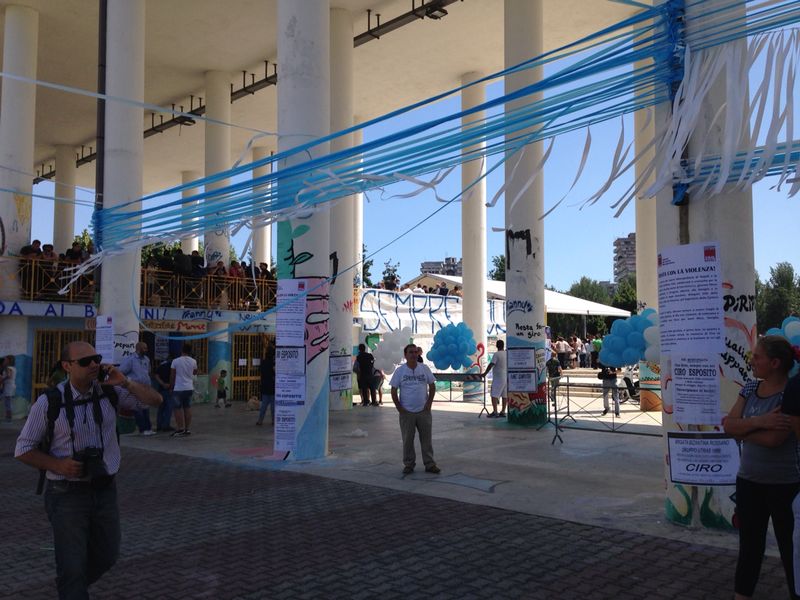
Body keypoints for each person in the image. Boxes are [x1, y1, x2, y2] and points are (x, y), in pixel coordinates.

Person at [14, 341, 161, 599]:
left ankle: (71, 587)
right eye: (85, 361)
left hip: (104, 489)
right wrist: (59, 465)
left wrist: (125, 382)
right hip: (66, 493)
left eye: (96, 359)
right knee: (71, 566)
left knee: (107, 555)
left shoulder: (110, 392)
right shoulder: (49, 402)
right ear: (67, 366)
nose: (93, 364)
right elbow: (23, 448)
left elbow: (155, 400)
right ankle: (72, 588)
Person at [723, 336, 799, 600]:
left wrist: (742, 429)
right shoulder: (750, 387)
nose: (752, 361)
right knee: (749, 548)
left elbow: (774, 439)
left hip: (785, 486)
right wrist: (761, 421)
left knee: (791, 550)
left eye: (757, 357)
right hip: (749, 482)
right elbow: (727, 425)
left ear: (775, 363)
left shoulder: (791, 393)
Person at [390, 344, 439, 475]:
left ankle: (430, 464)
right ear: (405, 355)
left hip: (424, 411)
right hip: (406, 412)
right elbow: (394, 390)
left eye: (415, 352)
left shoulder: (424, 368)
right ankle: (409, 464)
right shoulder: (400, 371)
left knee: (426, 440)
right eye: (411, 352)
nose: (414, 354)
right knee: (407, 440)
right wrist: (400, 408)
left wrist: (429, 404)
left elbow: (432, 386)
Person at [119, 341, 155, 436]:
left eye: (146, 348)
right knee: (137, 408)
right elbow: (121, 371)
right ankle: (143, 429)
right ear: (138, 348)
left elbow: (148, 372)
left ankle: (148, 428)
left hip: (145, 388)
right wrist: (129, 382)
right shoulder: (130, 359)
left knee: (145, 408)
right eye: (144, 348)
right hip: (135, 388)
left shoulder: (146, 359)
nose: (146, 350)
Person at [169, 343, 197, 437]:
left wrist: (171, 387)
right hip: (189, 387)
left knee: (177, 409)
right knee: (187, 407)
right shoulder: (193, 361)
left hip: (178, 388)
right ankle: (187, 429)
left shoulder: (175, 361)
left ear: (182, 350)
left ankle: (180, 428)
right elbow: (195, 372)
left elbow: (172, 376)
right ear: (190, 351)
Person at [482, 340, 507, 418]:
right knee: (504, 395)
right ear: (503, 345)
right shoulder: (507, 354)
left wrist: (485, 373)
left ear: (496, 346)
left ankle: (495, 412)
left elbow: (491, 364)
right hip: (506, 377)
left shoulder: (496, 354)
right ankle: (503, 411)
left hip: (498, 378)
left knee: (494, 395)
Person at [153, 355, 175, 432]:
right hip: (168, 389)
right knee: (168, 408)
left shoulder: (161, 365)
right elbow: (172, 376)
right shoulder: (172, 365)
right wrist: (170, 386)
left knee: (161, 408)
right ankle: (165, 425)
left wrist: (162, 384)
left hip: (161, 389)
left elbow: (156, 375)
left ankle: (159, 425)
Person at [257, 340, 275, 426]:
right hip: (273, 387)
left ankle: (260, 420)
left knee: (263, 405)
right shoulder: (274, 363)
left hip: (265, 386)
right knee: (273, 406)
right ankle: (274, 421)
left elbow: (260, 371)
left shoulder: (263, 362)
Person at [1, 355, 15, 421]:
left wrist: (2, 379)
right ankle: (8, 417)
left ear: (9, 361)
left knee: (8, 403)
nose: (4, 361)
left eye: (5, 360)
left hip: (9, 387)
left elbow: (9, 376)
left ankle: (9, 417)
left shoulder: (9, 368)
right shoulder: (13, 368)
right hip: (10, 386)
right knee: (8, 402)